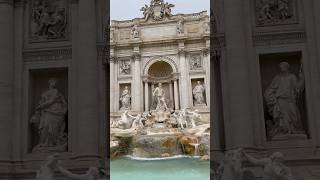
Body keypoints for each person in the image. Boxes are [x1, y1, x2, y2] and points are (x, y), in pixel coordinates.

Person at [264, 62, 304, 136]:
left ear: (287, 67)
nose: (281, 68)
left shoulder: (292, 76)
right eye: (280, 67)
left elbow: (297, 87)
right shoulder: (277, 77)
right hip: (280, 100)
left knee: (294, 114)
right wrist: (269, 95)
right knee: (283, 117)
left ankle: (294, 130)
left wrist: (302, 78)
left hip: (290, 99)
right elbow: (271, 88)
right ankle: (285, 131)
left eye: (282, 66)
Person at [30, 78, 67, 149]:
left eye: (55, 82)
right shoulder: (45, 93)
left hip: (57, 112)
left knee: (55, 128)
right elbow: (42, 103)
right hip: (47, 112)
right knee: (46, 126)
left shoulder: (58, 93)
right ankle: (44, 143)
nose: (54, 83)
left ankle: (53, 143)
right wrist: (50, 102)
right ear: (49, 83)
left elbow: (64, 104)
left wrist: (63, 111)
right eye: (53, 82)